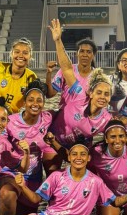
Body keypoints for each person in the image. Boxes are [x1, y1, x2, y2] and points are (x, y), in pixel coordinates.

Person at [43, 19, 115, 173]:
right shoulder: (69, 75)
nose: (85, 54)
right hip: (63, 125)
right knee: (52, 171)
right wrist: (57, 41)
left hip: (84, 132)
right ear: (76, 54)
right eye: (81, 51)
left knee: (81, 174)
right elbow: (51, 92)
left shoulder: (98, 79)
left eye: (89, 51)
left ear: (94, 55)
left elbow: (105, 111)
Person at [0, 79, 53, 215]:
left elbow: (69, 113)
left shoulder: (47, 118)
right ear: (25, 102)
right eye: (31, 100)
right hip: (12, 172)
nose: (35, 104)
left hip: (33, 177)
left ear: (43, 103)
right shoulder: (10, 121)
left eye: (39, 101)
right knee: (8, 195)